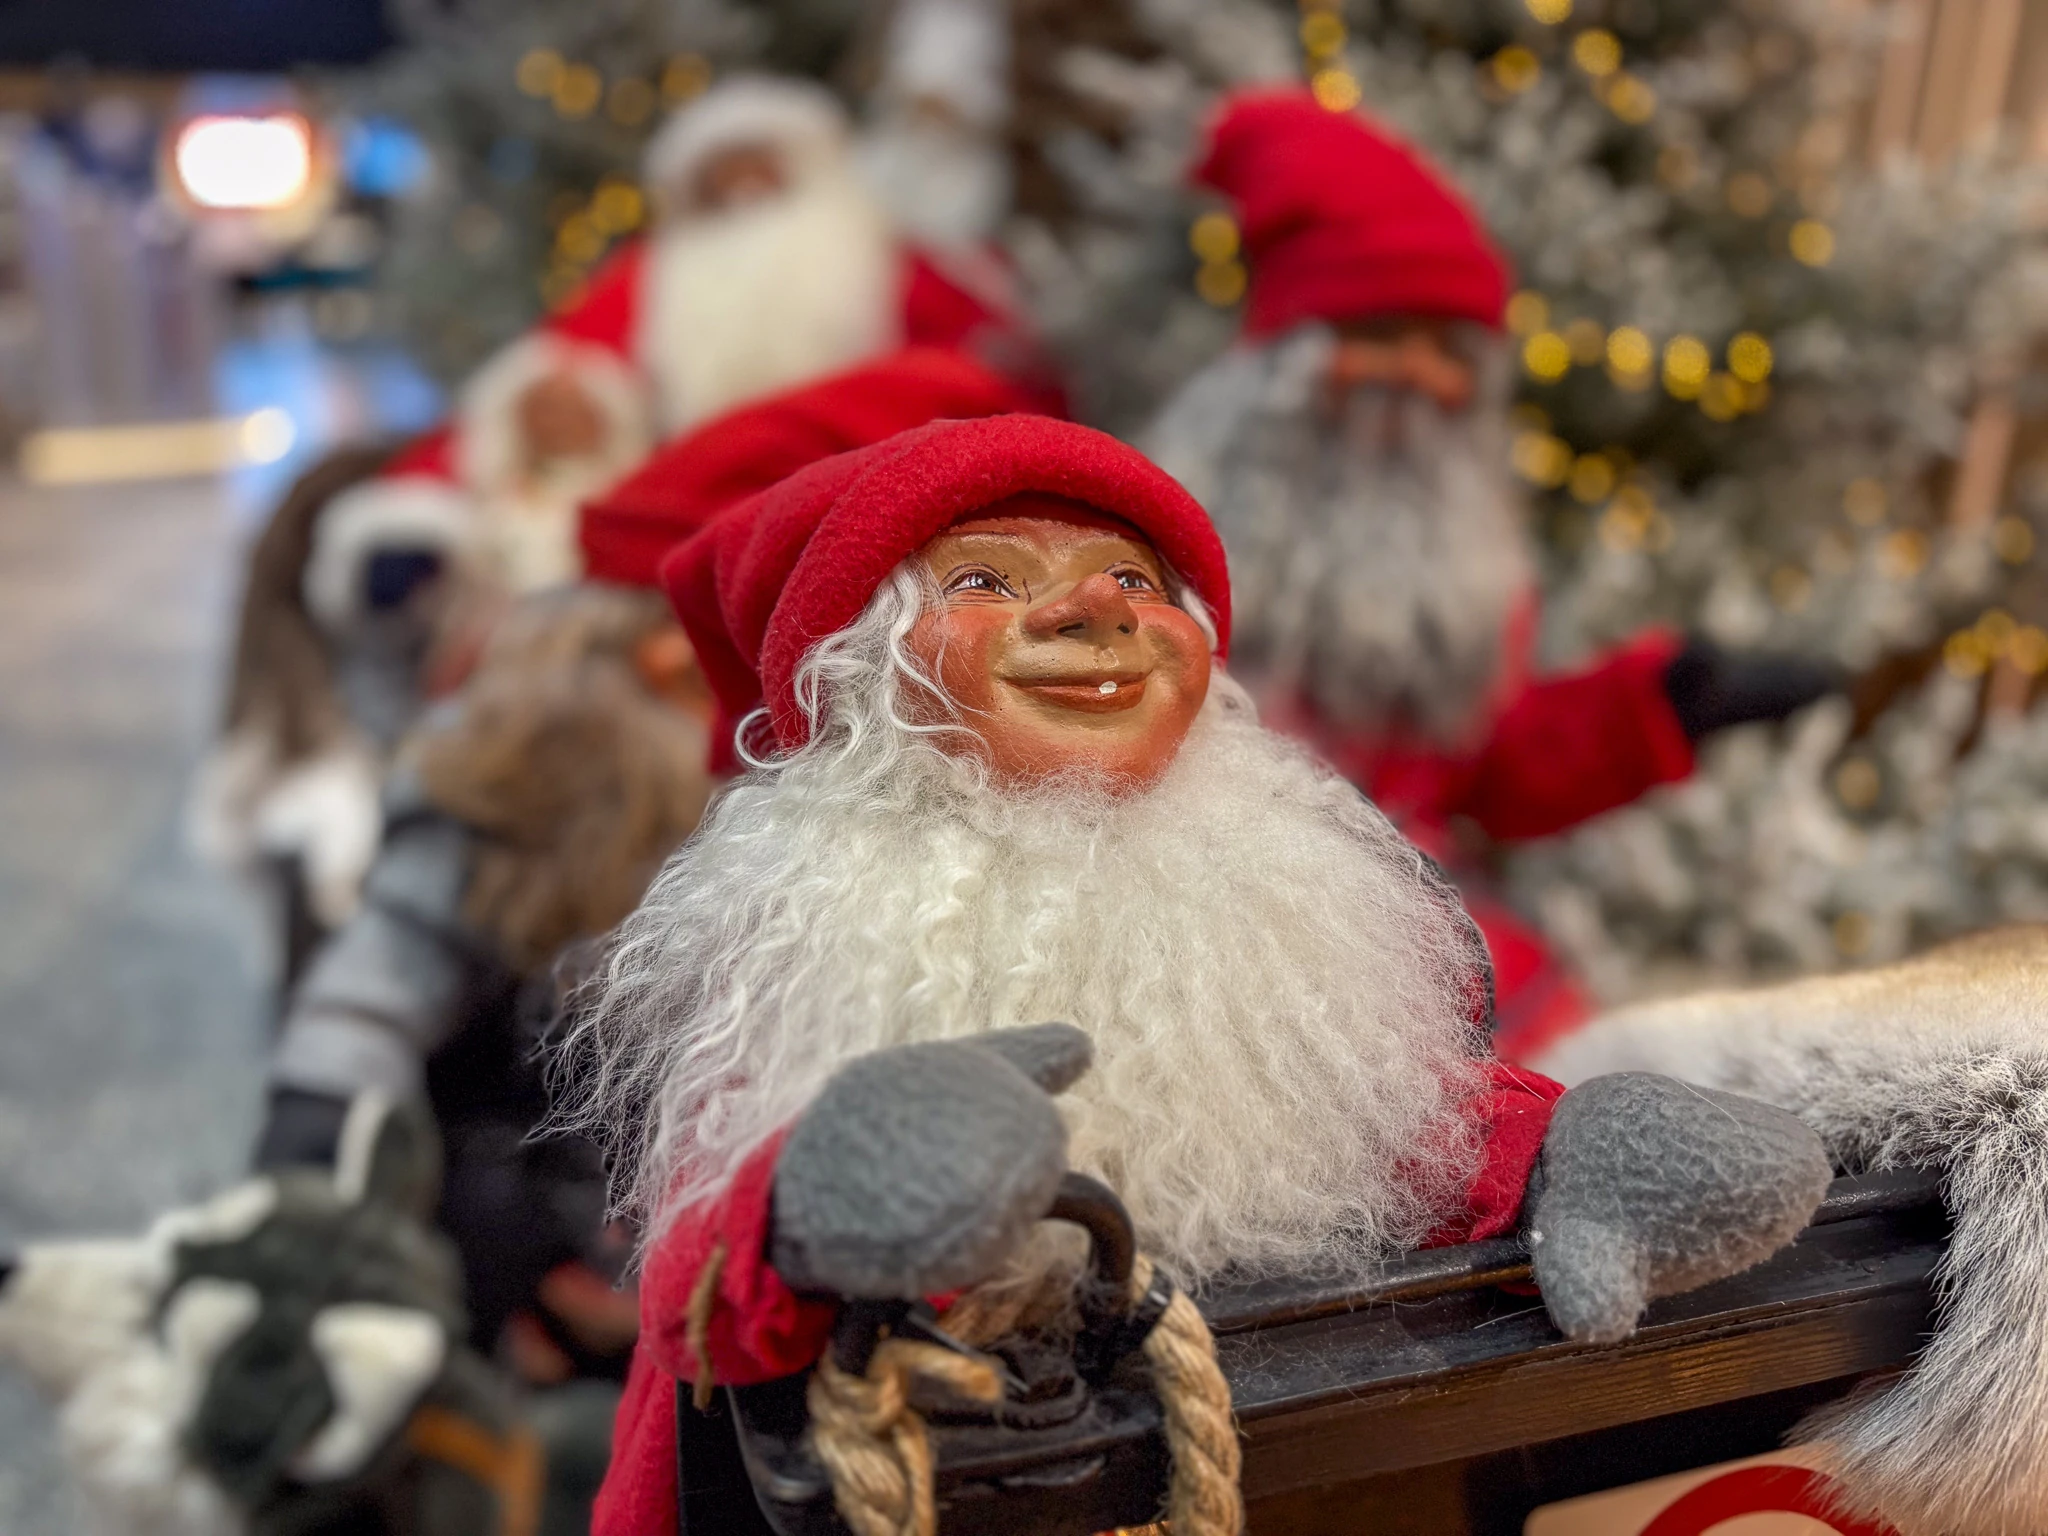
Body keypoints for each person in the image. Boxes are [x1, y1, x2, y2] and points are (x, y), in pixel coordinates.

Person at [548, 414, 1833, 1534]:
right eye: (988, 579)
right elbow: (708, 1294)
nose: (1095, 610)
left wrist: (1553, 1157)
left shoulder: (1259, 865)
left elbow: (1387, 1125)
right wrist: (842, 1183)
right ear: (861, 675)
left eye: (1130, 577)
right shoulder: (810, 910)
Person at [196, 76, 1057, 940]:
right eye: (719, 183)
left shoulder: (895, 275)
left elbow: (1004, 390)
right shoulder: (654, 279)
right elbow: (542, 379)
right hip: (660, 545)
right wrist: (493, 459)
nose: (745, 200)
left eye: (764, 174)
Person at [1145, 90, 1832, 1061]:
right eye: (1380, 335)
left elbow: (1487, 768)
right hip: (1207, 933)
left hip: (1418, 938)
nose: (1419, 377)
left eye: (1448, 350)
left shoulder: (1462, 568)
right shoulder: (1157, 545)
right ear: (1284, 362)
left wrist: (1656, 705)